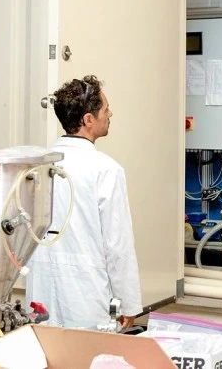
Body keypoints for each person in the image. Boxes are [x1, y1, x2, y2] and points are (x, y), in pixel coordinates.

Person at [25, 75, 142, 331]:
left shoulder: (38, 165)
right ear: (88, 120)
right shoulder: (106, 170)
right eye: (105, 108)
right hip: (85, 295)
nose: (111, 113)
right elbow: (118, 245)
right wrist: (129, 304)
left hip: (40, 288)